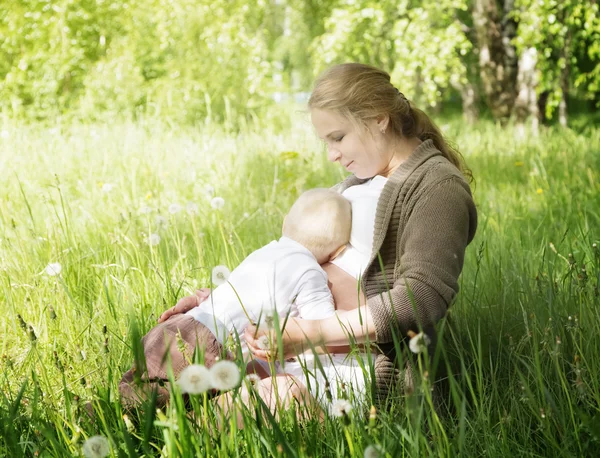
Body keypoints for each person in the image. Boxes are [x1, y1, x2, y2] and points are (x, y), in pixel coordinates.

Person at [161, 62, 478, 417]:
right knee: (175, 357)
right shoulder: (357, 184)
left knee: (249, 406)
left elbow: (420, 299)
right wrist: (224, 298)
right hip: (290, 347)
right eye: (326, 141)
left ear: (378, 118)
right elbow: (294, 255)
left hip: (355, 372)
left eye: (338, 137)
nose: (332, 154)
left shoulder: (436, 188)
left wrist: (310, 333)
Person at [119, 188, 351, 407]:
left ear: (284, 223)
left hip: (179, 325)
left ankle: (98, 413)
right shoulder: (310, 272)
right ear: (338, 252)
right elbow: (321, 329)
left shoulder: (266, 250)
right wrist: (346, 320)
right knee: (159, 402)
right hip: (206, 347)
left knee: (134, 387)